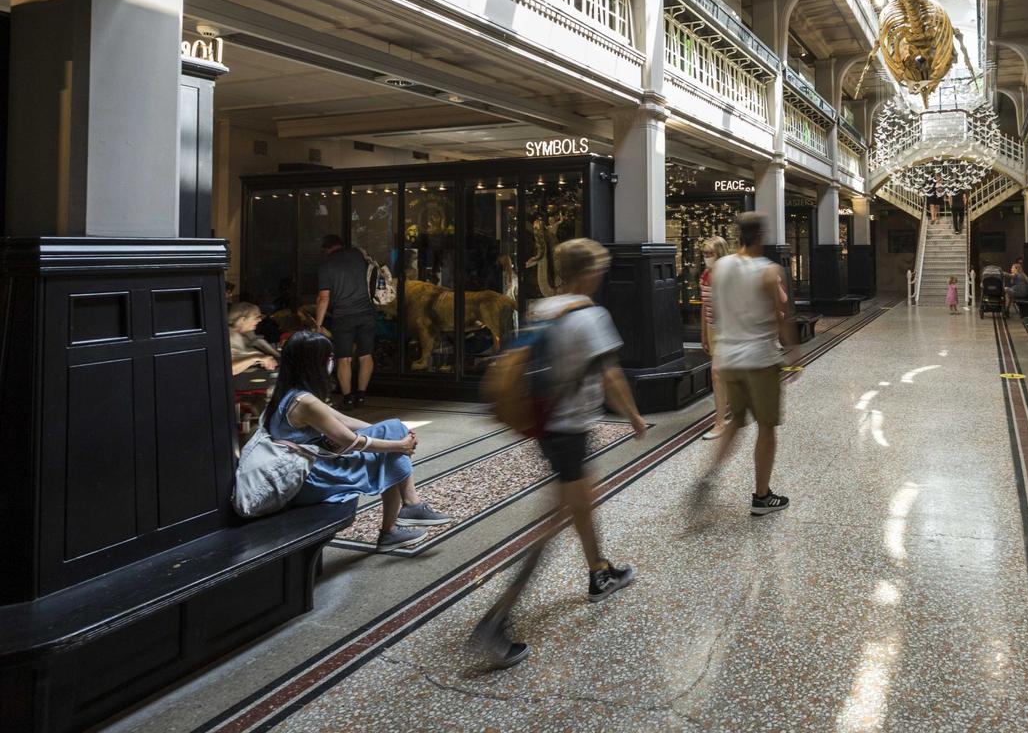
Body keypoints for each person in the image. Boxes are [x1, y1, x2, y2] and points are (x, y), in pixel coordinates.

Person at [470, 238, 647, 670]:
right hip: (569, 430)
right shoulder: (590, 315)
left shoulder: (543, 308)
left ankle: (599, 571)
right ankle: (495, 622)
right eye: (599, 270)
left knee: (581, 503)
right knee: (554, 522)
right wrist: (636, 417)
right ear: (588, 273)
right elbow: (611, 377)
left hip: (547, 426)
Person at [259, 330, 451, 550]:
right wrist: (399, 444)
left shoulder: (292, 393)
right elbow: (352, 440)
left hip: (309, 471)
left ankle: (406, 512)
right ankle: (401, 517)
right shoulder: (305, 402)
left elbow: (344, 420)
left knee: (393, 434)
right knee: (389, 451)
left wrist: (396, 435)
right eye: (328, 358)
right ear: (313, 363)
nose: (331, 362)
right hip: (309, 480)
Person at [689, 212, 795, 521]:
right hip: (760, 359)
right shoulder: (768, 270)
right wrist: (794, 352)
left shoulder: (720, 268)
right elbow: (781, 314)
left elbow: (713, 309)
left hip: (729, 356)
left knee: (735, 422)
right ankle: (762, 496)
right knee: (766, 427)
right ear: (761, 235)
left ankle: (708, 473)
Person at [314, 233, 375, 409]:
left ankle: (348, 397)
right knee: (365, 355)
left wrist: (318, 324)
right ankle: (361, 396)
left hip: (343, 316)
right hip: (366, 313)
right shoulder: (358, 256)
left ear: (326, 249)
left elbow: (324, 298)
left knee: (344, 358)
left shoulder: (326, 265)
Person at [698, 236, 731, 441]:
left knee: (717, 373)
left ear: (720, 253)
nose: (706, 258)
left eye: (710, 254)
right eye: (704, 254)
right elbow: (704, 305)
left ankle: (720, 422)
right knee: (722, 374)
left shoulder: (728, 275)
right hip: (713, 328)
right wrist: (703, 333)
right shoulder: (705, 274)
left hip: (730, 330)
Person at [228, 302, 278, 377]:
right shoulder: (229, 337)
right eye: (256, 317)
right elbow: (228, 369)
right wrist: (257, 357)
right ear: (243, 320)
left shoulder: (249, 335)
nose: (260, 320)